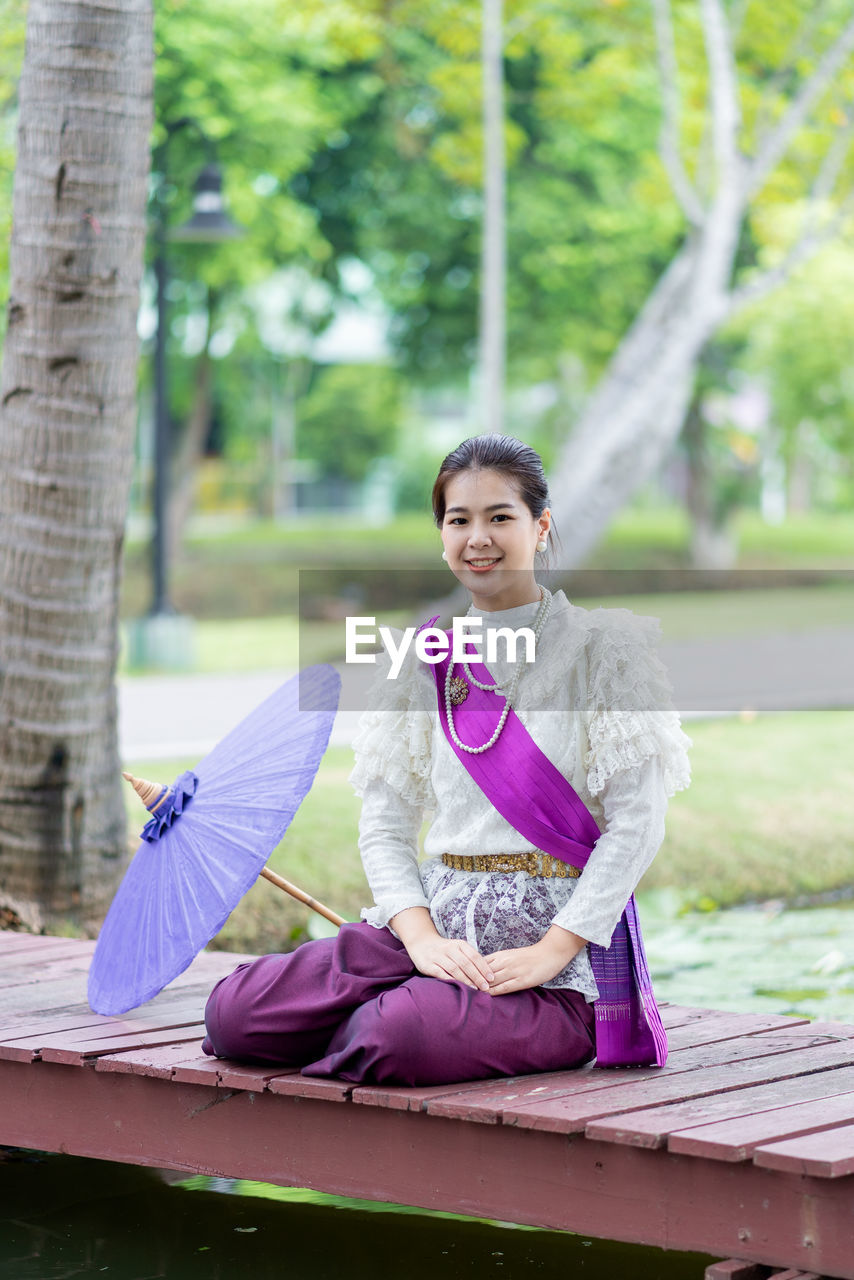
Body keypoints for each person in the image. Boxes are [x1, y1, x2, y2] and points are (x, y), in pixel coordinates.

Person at [201, 434, 691, 1085]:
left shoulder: (605, 653)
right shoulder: (422, 657)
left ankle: (391, 1021)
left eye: (499, 517)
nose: (477, 538)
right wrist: (420, 938)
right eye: (459, 520)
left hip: (543, 966)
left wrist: (554, 950)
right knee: (236, 1015)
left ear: (540, 528)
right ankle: (388, 1010)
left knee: (394, 1035)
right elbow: (385, 823)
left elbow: (637, 824)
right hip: (430, 936)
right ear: (442, 536)